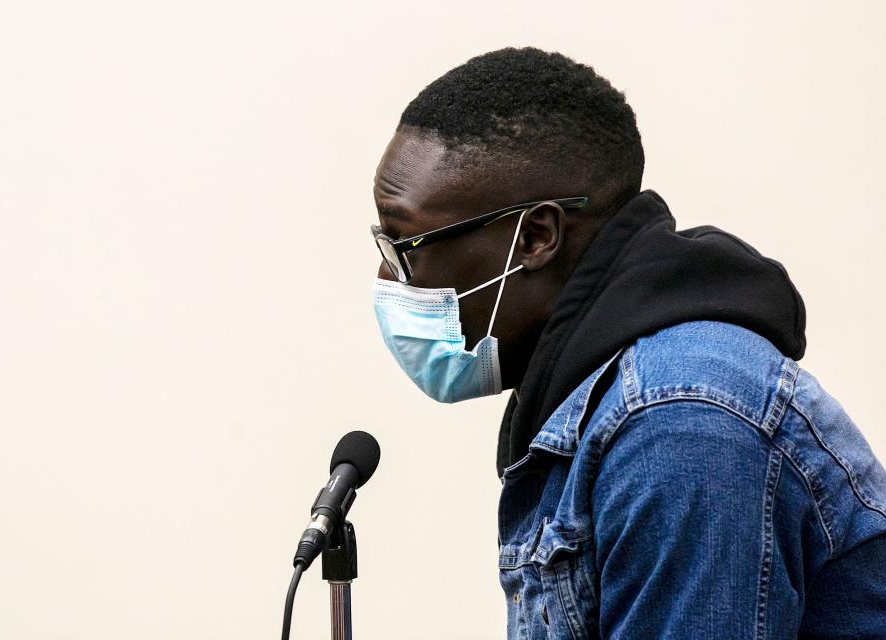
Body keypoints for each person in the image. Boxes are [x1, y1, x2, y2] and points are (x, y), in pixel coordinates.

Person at [369, 46, 886, 639]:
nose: (388, 282)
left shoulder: (681, 425)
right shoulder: (600, 404)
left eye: (403, 247)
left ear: (536, 236)